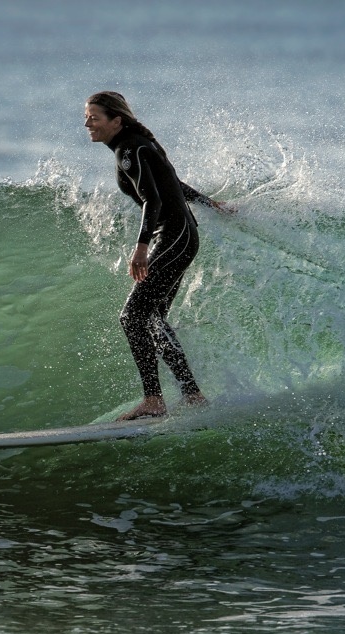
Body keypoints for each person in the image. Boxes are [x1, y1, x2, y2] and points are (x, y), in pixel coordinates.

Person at [84, 91, 223, 421]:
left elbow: (153, 200)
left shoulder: (129, 149)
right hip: (181, 236)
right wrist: (212, 204)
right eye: (86, 116)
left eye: (94, 117)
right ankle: (192, 395)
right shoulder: (134, 144)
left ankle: (154, 400)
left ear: (116, 121)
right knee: (151, 318)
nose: (87, 122)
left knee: (132, 316)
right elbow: (172, 183)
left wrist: (142, 247)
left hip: (171, 238)